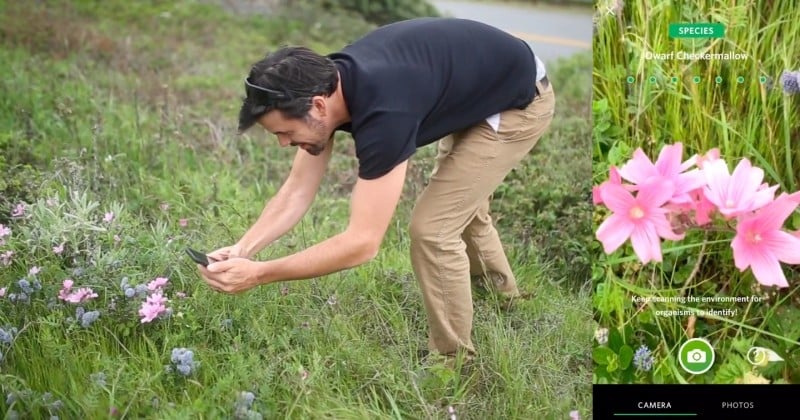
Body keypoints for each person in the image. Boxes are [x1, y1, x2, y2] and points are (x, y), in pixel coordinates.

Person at [198, 17, 555, 363]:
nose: (282, 143)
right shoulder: (324, 83)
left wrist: (260, 274)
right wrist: (243, 250)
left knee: (434, 229)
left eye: (285, 132)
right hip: (478, 83)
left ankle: (452, 361)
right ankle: (505, 300)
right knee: (463, 207)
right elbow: (296, 191)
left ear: (318, 106)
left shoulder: (385, 113)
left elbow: (362, 244)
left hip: (518, 101)